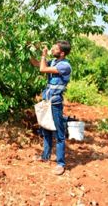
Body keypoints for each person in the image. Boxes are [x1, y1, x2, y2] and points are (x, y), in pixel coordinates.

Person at [31, 40, 72, 175]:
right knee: (46, 129)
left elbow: (43, 69)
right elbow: (38, 65)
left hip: (55, 103)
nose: (52, 49)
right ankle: (45, 156)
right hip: (47, 101)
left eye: (55, 48)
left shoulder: (65, 66)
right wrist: (29, 51)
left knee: (59, 134)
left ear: (61, 53)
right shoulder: (53, 62)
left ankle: (60, 163)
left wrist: (43, 55)